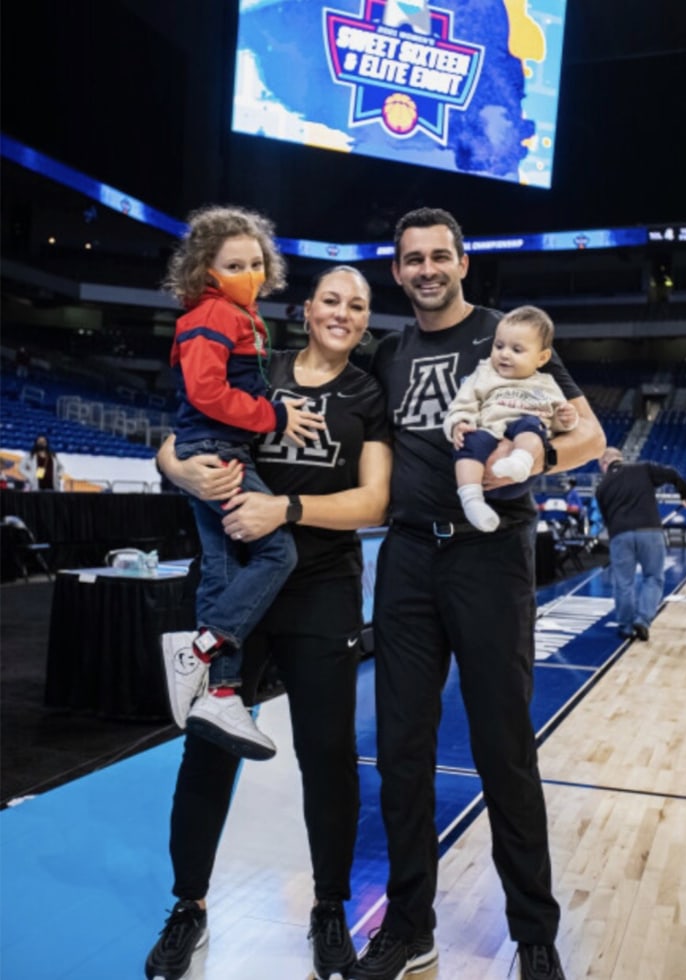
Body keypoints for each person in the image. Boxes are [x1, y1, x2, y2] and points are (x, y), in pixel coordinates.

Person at [352, 207, 606, 980]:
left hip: (491, 556)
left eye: (440, 256)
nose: (426, 269)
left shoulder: (509, 332)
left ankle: (533, 933)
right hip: (405, 560)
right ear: (396, 272)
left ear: (463, 263)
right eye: (411, 259)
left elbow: (591, 436)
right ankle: (409, 927)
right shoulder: (388, 353)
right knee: (400, 749)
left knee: (503, 748)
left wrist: (527, 461)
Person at [145, 265, 392, 980]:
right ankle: (188, 906)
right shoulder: (259, 363)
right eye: (331, 301)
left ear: (365, 318)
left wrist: (283, 510)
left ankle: (328, 907)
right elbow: (177, 440)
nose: (342, 313)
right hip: (239, 584)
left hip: (323, 590)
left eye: (357, 305)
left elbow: (374, 502)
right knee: (208, 749)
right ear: (307, 308)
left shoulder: (367, 394)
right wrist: (182, 472)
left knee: (328, 757)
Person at [160, 204, 325, 760]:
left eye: (257, 262)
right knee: (278, 554)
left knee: (225, 572)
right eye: (235, 264)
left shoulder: (231, 316)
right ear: (207, 268)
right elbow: (206, 395)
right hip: (217, 452)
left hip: (212, 448)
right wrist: (277, 417)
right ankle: (201, 650)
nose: (249, 274)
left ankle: (223, 694)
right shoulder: (216, 315)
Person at [443, 304, 578, 531]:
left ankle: (519, 462)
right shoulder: (484, 372)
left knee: (532, 426)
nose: (504, 354)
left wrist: (566, 418)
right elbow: (462, 404)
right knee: (469, 440)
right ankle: (472, 501)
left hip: (520, 475)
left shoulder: (546, 384)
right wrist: (459, 423)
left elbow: (556, 422)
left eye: (517, 350)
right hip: (487, 439)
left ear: (542, 357)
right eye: (499, 346)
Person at [595, 448, 686, 641]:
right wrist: (685, 493)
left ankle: (625, 626)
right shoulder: (643, 469)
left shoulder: (602, 487)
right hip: (650, 532)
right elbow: (672, 474)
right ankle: (643, 620)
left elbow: (606, 519)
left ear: (605, 464)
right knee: (653, 578)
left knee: (624, 583)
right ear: (620, 459)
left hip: (620, 535)